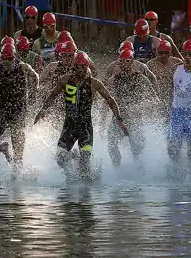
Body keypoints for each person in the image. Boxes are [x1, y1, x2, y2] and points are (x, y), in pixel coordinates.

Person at [34, 51, 127, 180]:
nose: (81, 70)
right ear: (74, 67)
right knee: (60, 159)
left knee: (85, 167)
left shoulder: (94, 83)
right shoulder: (65, 80)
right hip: (69, 127)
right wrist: (42, 111)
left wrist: (119, 120)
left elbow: (110, 100)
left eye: (84, 66)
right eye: (78, 67)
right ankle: (74, 158)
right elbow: (52, 96)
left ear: (87, 66)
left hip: (86, 128)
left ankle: (87, 180)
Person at [0, 42, 39, 167]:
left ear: (15, 57)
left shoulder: (24, 67)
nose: (7, 62)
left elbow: (35, 77)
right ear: (1, 58)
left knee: (18, 159)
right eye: (4, 59)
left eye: (10, 59)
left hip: (19, 112)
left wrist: (33, 92)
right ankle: (1, 147)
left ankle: (18, 175)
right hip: (3, 112)